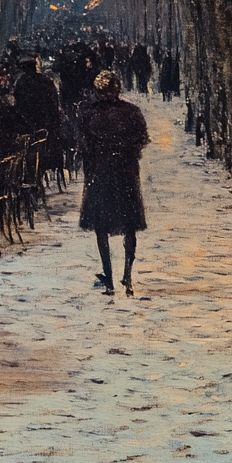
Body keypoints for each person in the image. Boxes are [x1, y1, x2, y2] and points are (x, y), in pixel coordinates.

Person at [78, 71, 149, 297]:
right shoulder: (131, 112)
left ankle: (108, 278)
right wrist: (126, 151)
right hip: (125, 172)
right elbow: (142, 139)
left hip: (100, 173)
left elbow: (82, 144)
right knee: (129, 224)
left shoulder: (88, 113)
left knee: (101, 227)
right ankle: (127, 275)